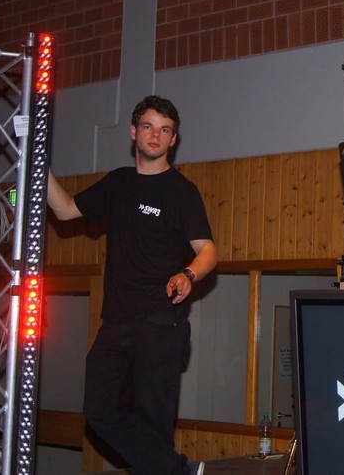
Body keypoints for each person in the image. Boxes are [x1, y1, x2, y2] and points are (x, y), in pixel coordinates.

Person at [46, 95, 217, 475]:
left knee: (154, 423)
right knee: (99, 411)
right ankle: (176, 470)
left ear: (173, 139)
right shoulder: (119, 183)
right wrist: (39, 166)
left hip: (160, 322)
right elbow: (65, 210)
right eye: (148, 127)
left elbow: (207, 250)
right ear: (133, 132)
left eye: (165, 130)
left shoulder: (181, 191)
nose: (156, 135)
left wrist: (188, 274)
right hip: (116, 322)